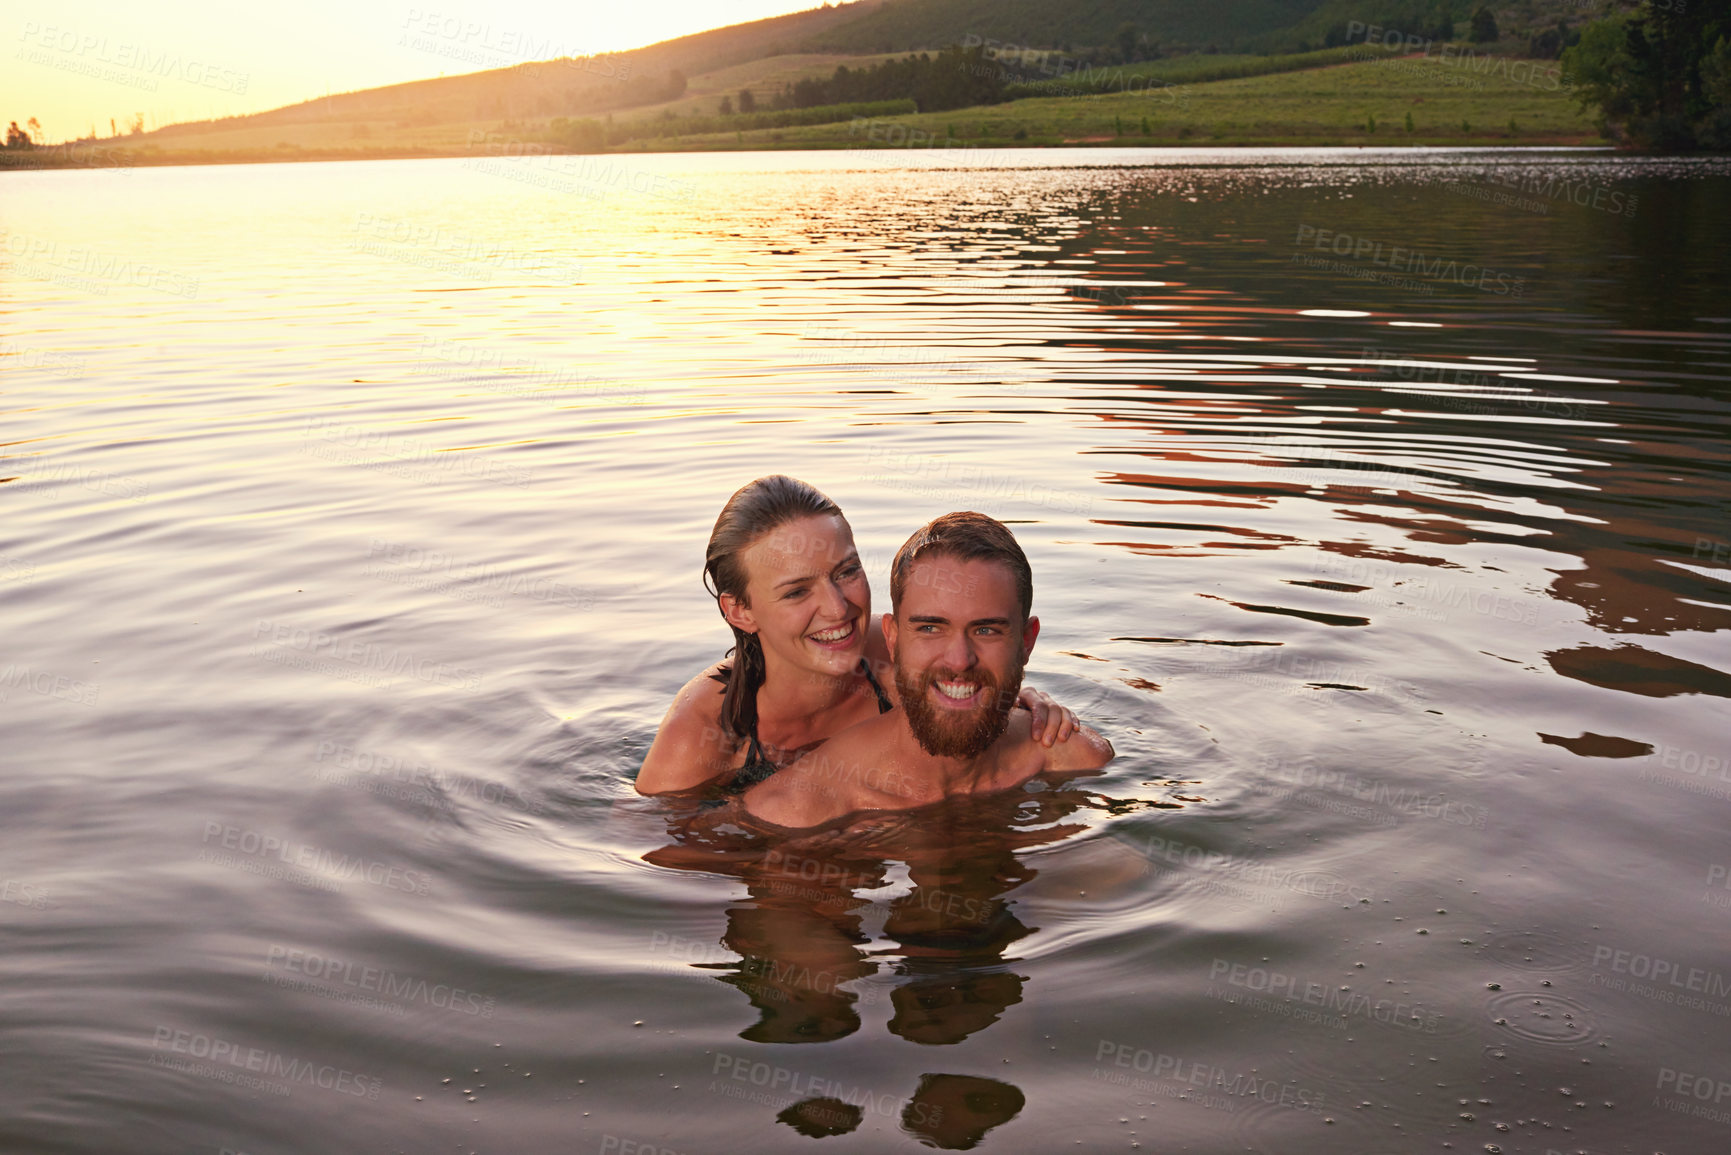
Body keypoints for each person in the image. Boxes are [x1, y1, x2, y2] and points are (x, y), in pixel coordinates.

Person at [636, 477, 1081, 796]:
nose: (838, 608)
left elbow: (970, 670)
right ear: (740, 610)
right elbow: (655, 861)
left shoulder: (887, 651)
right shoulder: (704, 726)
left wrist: (1023, 699)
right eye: (796, 591)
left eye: (847, 571)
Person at [741, 511, 1113, 830]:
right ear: (891, 638)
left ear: (1026, 641)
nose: (959, 661)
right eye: (930, 628)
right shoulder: (795, 810)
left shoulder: (1075, 761)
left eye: (986, 630)